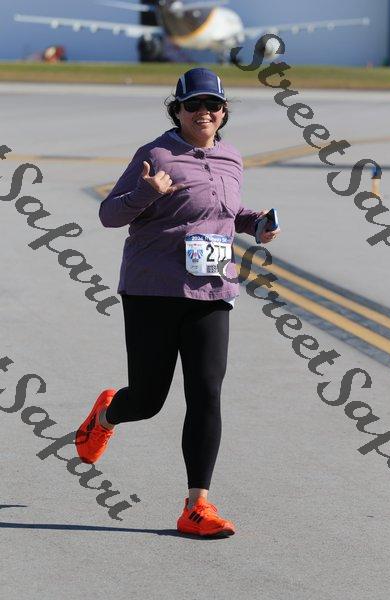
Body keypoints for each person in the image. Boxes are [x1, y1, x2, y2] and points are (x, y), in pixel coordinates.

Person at [74, 68, 280, 538]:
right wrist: (146, 192)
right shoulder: (156, 154)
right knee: (148, 400)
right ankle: (106, 415)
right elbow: (109, 214)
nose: (203, 112)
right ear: (178, 110)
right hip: (154, 290)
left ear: (224, 111)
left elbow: (225, 212)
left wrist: (256, 223)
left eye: (213, 105)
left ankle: (196, 506)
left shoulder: (231, 157)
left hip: (212, 290)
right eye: (193, 105)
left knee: (206, 392)